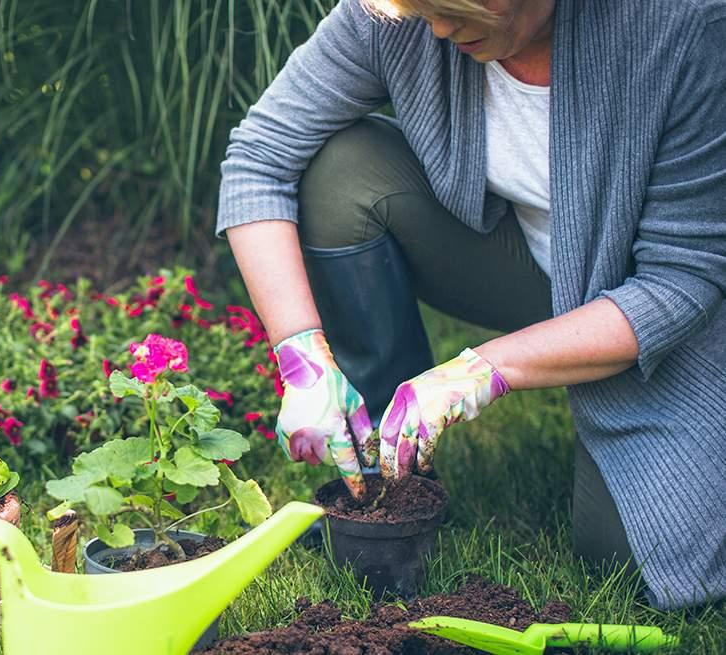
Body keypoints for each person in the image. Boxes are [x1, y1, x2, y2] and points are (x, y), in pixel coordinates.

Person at [217, 0, 725, 610]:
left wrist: (481, 370)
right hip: (523, 263)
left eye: (451, 10)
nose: (434, 30)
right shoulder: (396, 14)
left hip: (656, 299)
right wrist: (302, 356)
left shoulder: (683, 26)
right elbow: (258, 157)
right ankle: (387, 471)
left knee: (639, 562)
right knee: (341, 172)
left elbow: (681, 281)